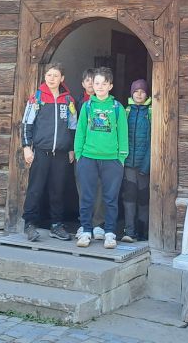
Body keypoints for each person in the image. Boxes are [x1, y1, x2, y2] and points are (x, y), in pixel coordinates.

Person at [21, 63, 76, 242]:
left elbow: (72, 126)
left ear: (62, 78)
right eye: (49, 75)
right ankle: (30, 224)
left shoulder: (68, 100)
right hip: (41, 152)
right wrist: (26, 147)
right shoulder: (37, 98)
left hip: (61, 153)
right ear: (45, 76)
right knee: (35, 189)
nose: (52, 79)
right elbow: (26, 123)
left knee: (58, 190)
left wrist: (71, 148)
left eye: (56, 75)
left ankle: (56, 225)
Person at [74, 67, 128, 249]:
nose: (99, 86)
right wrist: (79, 155)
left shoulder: (117, 108)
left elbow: (123, 134)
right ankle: (86, 231)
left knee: (110, 198)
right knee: (87, 197)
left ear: (110, 86)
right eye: (96, 83)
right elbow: (80, 131)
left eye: (104, 84)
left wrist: (121, 157)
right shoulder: (87, 106)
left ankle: (110, 233)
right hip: (88, 157)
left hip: (112, 159)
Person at [121, 78, 151, 243]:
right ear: (131, 93)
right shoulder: (126, 111)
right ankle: (130, 231)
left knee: (144, 199)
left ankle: (143, 232)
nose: (139, 94)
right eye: (136, 91)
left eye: (142, 91)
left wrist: (146, 165)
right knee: (129, 198)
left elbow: (153, 140)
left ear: (147, 94)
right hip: (128, 165)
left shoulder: (151, 112)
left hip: (144, 165)